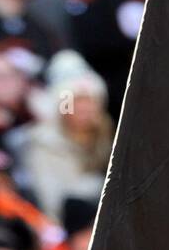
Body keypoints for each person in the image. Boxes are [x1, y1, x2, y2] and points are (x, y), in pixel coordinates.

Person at [21, 51, 112, 223]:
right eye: (76, 101)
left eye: (89, 101)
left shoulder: (107, 139)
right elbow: (53, 204)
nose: (84, 109)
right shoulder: (44, 146)